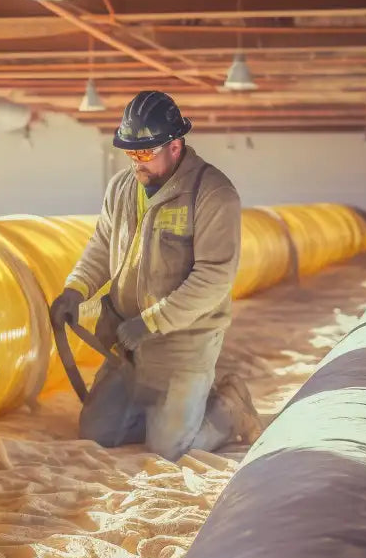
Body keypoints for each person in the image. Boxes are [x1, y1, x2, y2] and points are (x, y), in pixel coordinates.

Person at [49, 91, 248, 461]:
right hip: (126, 340)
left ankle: (227, 408)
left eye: (145, 153)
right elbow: (102, 244)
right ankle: (162, 412)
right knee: (97, 433)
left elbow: (214, 277)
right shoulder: (122, 188)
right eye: (130, 153)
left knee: (173, 450)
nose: (136, 163)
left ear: (174, 146)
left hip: (183, 343)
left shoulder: (212, 193)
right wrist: (75, 290)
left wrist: (153, 322)